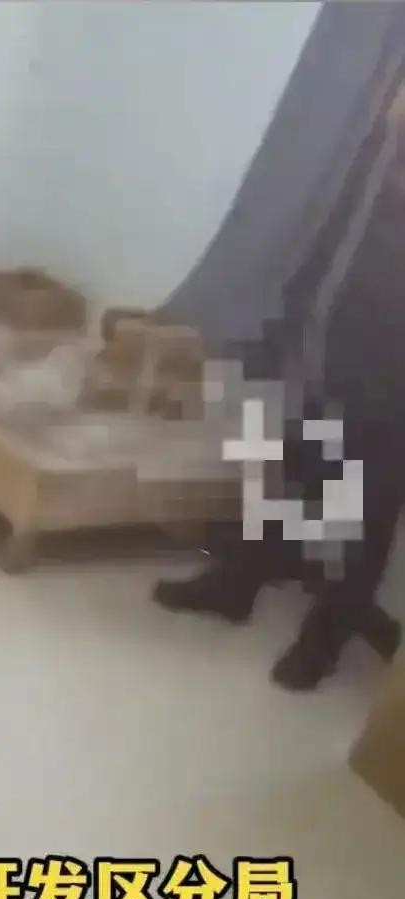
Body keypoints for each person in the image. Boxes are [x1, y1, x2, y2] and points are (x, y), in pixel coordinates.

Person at [154, 95, 405, 692]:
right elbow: (344, 226)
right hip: (334, 332)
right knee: (291, 462)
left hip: (394, 366)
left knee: (368, 502)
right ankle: (236, 584)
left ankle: (326, 638)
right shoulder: (379, 136)